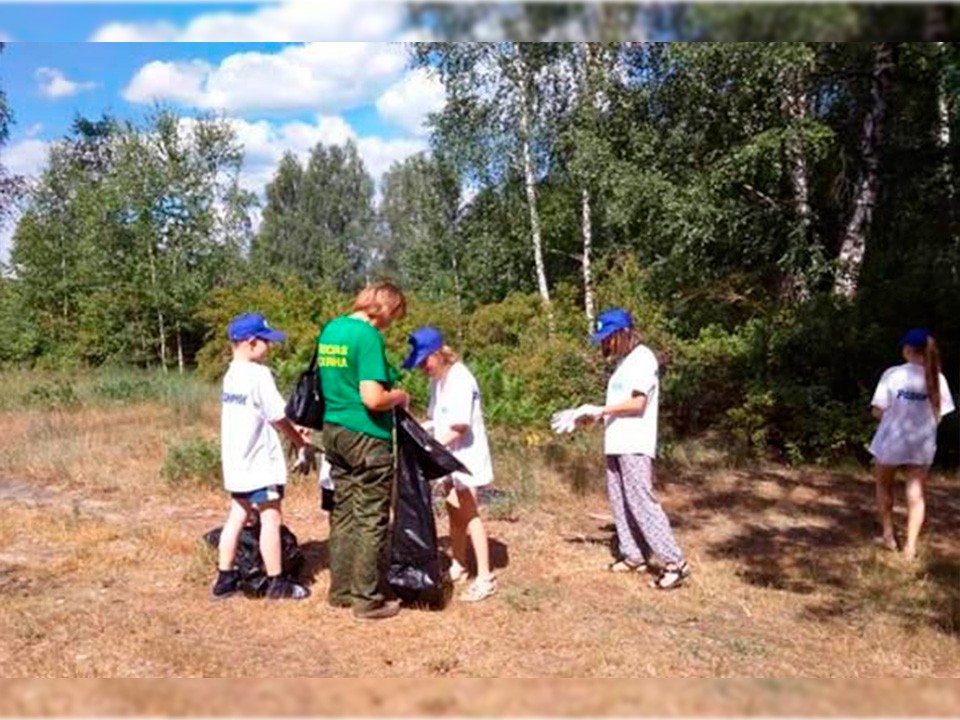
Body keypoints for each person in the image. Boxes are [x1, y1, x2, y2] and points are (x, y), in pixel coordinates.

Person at [571, 308, 690, 590]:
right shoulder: (622, 363)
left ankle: (675, 563)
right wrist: (590, 418)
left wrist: (601, 410)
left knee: (640, 501)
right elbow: (617, 407)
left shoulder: (643, 359)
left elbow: (638, 404)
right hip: (616, 441)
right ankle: (633, 554)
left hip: (635, 443)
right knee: (620, 500)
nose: (605, 344)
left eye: (608, 338)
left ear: (624, 334)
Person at [319, 282, 410, 620]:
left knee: (343, 512)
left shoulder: (331, 329)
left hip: (334, 430)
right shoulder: (367, 336)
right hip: (366, 435)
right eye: (393, 316)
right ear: (384, 307)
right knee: (371, 516)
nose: (390, 324)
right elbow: (373, 398)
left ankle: (341, 591)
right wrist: (399, 396)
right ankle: (367, 599)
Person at [212, 312, 315, 601]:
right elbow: (278, 416)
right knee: (271, 517)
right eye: (267, 342)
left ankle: (225, 577)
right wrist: (300, 441)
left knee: (237, 515)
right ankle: (275, 582)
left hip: (236, 463)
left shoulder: (231, 374)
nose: (270, 348)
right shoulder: (258, 374)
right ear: (252, 342)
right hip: (259, 464)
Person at [403, 327, 497, 602]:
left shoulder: (459, 378)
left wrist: (429, 449)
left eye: (424, 362)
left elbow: (458, 426)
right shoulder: (438, 380)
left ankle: (485, 577)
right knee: (454, 511)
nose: (422, 368)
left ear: (437, 354)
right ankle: (459, 563)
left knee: (469, 514)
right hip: (447, 459)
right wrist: (418, 433)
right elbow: (436, 419)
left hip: (465, 456)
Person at [869, 328, 955, 561]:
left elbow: (878, 410)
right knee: (916, 494)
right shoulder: (937, 377)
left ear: (907, 350)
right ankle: (911, 546)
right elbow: (940, 414)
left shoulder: (893, 374)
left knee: (884, 487)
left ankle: (888, 535)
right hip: (921, 445)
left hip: (890, 442)